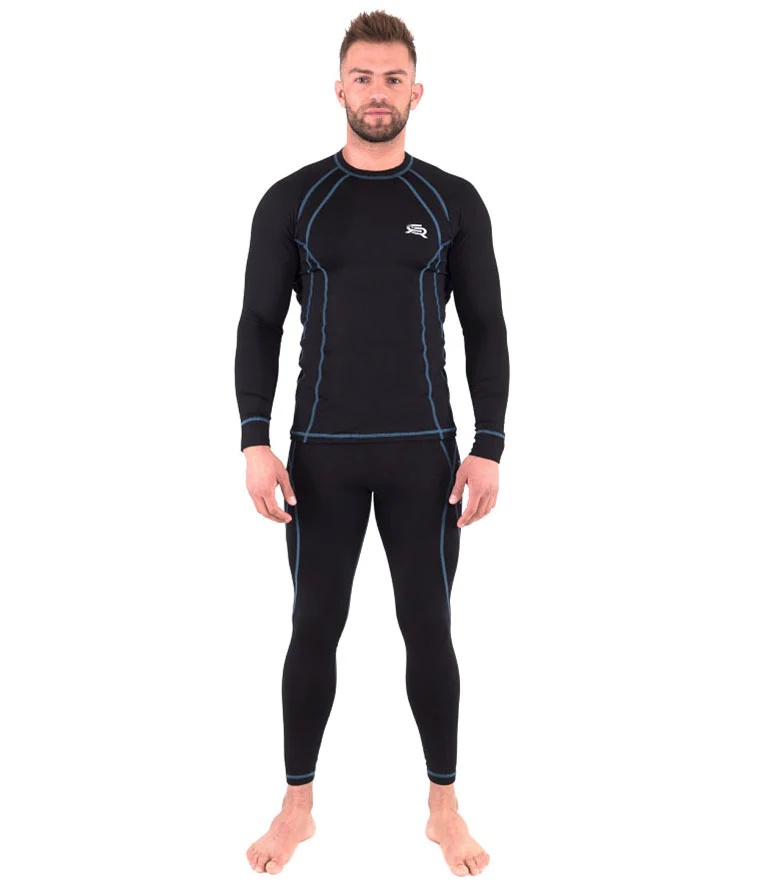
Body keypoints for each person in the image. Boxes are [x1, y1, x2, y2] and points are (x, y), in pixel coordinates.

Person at [235, 10, 509, 878]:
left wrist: (490, 444)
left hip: (426, 456)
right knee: (313, 626)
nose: (378, 92)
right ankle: (297, 807)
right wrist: (254, 440)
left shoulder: (451, 200)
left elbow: (487, 328)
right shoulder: (295, 199)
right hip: (320, 455)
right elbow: (258, 324)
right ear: (340, 88)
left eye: (393, 78)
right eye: (364, 77)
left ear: (417, 92)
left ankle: (443, 808)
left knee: (429, 627)